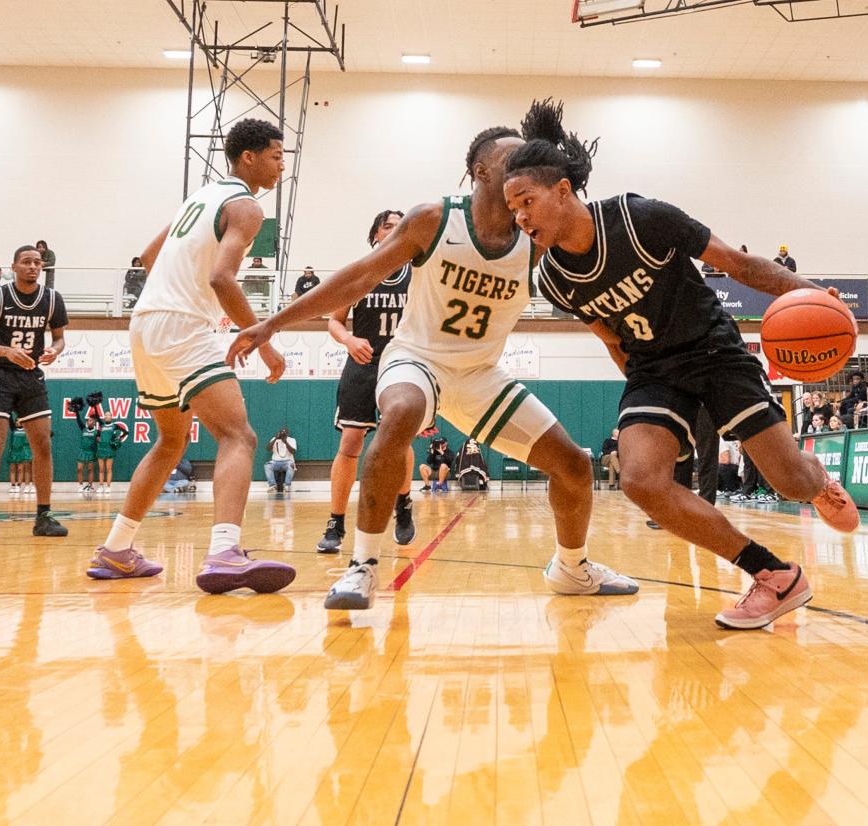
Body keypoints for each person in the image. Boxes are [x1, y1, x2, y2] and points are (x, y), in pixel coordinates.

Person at [227, 101, 638, 611]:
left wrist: (625, 347)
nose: (523, 170)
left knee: (575, 465)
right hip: (416, 359)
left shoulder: (533, 239)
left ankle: (571, 569)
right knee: (398, 414)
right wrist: (271, 323)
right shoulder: (434, 219)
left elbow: (587, 300)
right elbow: (358, 276)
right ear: (480, 171)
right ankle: (363, 566)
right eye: (512, 161)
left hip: (482, 376)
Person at [499, 98, 858, 631]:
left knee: (789, 482)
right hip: (653, 370)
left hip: (714, 351)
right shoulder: (552, 278)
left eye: (526, 201)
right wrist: (650, 411)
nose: (521, 217)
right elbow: (611, 340)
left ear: (562, 190)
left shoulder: (641, 218)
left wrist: (813, 295)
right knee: (641, 479)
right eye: (513, 211)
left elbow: (737, 265)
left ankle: (818, 480)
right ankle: (774, 575)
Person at [86, 118, 295, 594]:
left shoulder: (200, 197)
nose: (281, 165)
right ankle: (224, 550)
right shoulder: (245, 206)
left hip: (145, 324)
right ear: (250, 157)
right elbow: (223, 279)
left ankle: (117, 549)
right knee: (238, 435)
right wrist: (263, 340)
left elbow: (146, 257)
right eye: (277, 155)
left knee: (171, 441)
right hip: (181, 324)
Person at [317, 209, 417, 554]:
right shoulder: (361, 273)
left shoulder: (418, 273)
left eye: (400, 226)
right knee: (350, 443)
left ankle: (403, 505)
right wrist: (348, 340)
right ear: (375, 234)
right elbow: (334, 321)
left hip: (403, 364)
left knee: (398, 440)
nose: (394, 231)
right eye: (388, 226)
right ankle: (335, 522)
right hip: (363, 362)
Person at [0, 244, 69, 540]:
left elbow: (60, 338)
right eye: (26, 262)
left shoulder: (51, 299)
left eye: (38, 262)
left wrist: (54, 350)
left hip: (30, 376)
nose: (33, 267)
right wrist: (5, 352)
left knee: (43, 444)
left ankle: (44, 516)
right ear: (14, 266)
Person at [95, 415, 128, 494]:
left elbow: (126, 432)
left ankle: (108, 486)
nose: (107, 416)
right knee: (101, 469)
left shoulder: (114, 426)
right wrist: (95, 406)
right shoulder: (102, 425)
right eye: (105, 415)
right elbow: (98, 435)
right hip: (101, 448)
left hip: (110, 449)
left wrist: (119, 438)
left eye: (109, 415)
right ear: (104, 418)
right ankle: (101, 486)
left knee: (108, 469)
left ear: (111, 417)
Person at [264, 426, 297, 492]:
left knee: (291, 465)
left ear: (287, 433)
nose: (283, 433)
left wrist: (285, 442)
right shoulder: (274, 439)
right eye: (281, 432)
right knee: (267, 466)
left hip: (287, 461)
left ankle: (287, 485)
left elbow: (293, 451)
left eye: (284, 432)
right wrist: (276, 438)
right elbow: (268, 448)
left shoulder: (292, 440)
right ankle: (272, 485)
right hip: (275, 462)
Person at [6, 416, 32, 494]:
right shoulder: (14, 430)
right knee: (12, 469)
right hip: (13, 452)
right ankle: (13, 485)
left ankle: (19, 485)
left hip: (23, 452)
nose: (18, 422)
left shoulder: (27, 430)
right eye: (16, 421)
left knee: (21, 469)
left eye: (19, 421)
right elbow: (10, 420)